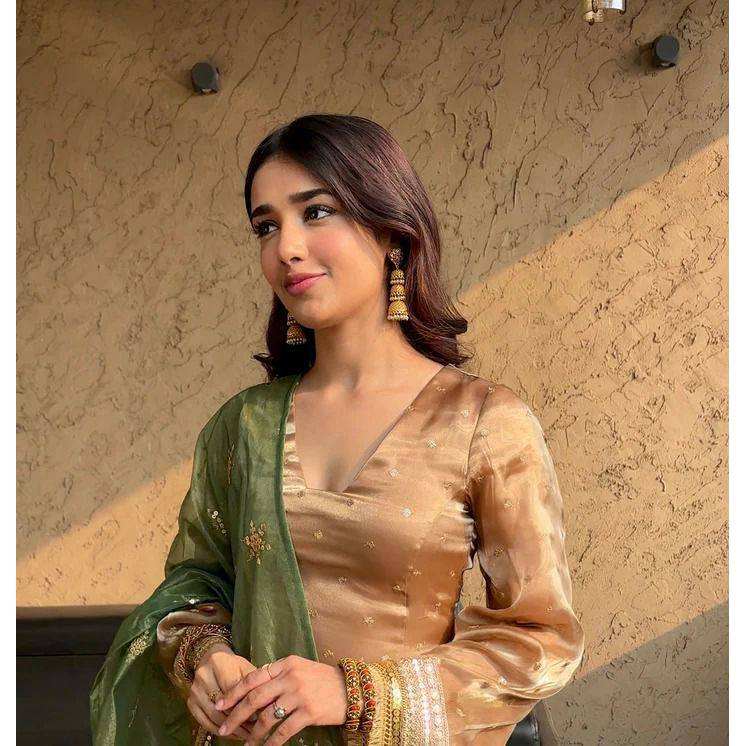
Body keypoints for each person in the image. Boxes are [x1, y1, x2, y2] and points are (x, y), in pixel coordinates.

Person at [89, 113, 585, 746]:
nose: (286, 248)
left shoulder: (482, 424)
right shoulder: (243, 427)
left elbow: (540, 638)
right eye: (266, 226)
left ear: (391, 230)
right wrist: (203, 656)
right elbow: (194, 585)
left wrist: (356, 694)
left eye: (315, 212)